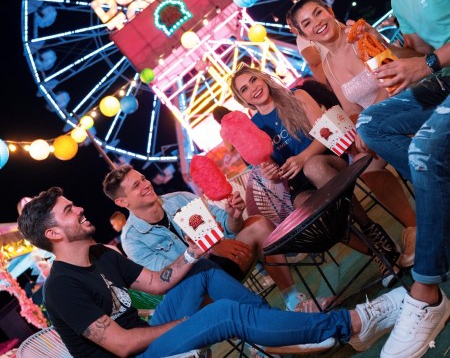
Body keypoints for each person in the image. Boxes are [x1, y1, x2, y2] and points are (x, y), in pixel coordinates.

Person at [18, 186, 408, 358]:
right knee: (221, 314)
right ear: (54, 234)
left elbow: (155, 283)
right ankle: (354, 323)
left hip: (148, 335)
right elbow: (122, 345)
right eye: (69, 211)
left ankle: (275, 333)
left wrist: (191, 253)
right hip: (137, 354)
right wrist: (189, 321)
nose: (80, 209)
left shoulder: (101, 254)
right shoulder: (61, 288)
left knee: (203, 271)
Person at [318, 0, 450, 357]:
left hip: (443, 78)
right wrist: (376, 45)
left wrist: (427, 64)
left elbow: (428, 61)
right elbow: (416, 54)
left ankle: (427, 294)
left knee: (424, 151)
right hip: (443, 84)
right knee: (371, 124)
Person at [229, 66, 403, 287]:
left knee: (314, 168)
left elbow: (328, 131)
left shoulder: (297, 96)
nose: (253, 88)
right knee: (313, 214)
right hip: (299, 183)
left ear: (263, 78)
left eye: (254, 80)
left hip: (327, 160)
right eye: (244, 89)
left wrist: (302, 158)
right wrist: (272, 174)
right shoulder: (253, 128)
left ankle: (370, 229)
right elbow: (275, 173)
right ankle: (378, 252)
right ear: (243, 100)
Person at [288, 0, 417, 268]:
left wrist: (368, 121)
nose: (317, 23)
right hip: (376, 126)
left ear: (329, 11)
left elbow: (390, 77)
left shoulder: (359, 36)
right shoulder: (328, 65)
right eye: (307, 23)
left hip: (404, 103)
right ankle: (415, 227)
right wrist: (359, 128)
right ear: (305, 36)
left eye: (318, 13)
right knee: (366, 168)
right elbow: (350, 109)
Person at [102, 165, 306, 311]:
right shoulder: (132, 240)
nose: (146, 185)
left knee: (258, 224)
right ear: (122, 202)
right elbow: (167, 279)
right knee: (203, 280)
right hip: (198, 290)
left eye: (143, 179)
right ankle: (256, 335)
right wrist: (207, 249)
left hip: (226, 261)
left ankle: (294, 301)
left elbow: (228, 227)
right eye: (136, 186)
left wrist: (234, 215)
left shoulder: (181, 198)